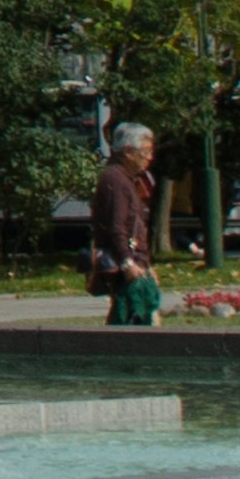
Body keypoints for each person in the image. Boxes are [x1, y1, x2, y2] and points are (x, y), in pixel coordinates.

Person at [88, 119, 162, 332]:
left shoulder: (126, 179)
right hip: (125, 266)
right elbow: (116, 226)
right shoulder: (116, 180)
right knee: (129, 318)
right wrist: (127, 263)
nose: (150, 157)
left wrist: (145, 264)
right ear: (128, 151)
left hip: (135, 263)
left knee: (135, 316)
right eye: (146, 151)